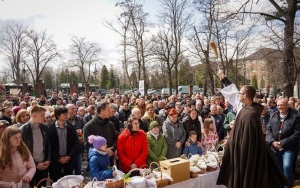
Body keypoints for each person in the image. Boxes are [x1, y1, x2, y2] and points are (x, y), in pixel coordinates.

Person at [217, 70, 288, 188]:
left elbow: (248, 141)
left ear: (245, 95)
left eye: (241, 93)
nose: (238, 94)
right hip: (238, 153)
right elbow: (233, 92)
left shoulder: (250, 115)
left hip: (246, 155)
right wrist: (223, 78)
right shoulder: (243, 107)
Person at [266, 98, 300, 187]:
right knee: (278, 168)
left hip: (289, 147)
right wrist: (273, 142)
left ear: (288, 105)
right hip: (274, 147)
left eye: (282, 105)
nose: (280, 107)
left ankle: (288, 185)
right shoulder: (273, 115)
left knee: (287, 166)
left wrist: (282, 143)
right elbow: (268, 130)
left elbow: (297, 134)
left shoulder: (295, 117)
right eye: (278, 105)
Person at [20, 106, 51, 187]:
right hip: (28, 167)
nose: (45, 117)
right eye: (42, 115)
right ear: (34, 115)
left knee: (42, 185)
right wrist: (36, 164)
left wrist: (48, 159)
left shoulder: (45, 128)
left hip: (44, 165)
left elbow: (48, 145)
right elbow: (21, 151)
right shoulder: (23, 130)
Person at [48, 106, 79, 182]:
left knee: (68, 182)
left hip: (68, 160)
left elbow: (75, 142)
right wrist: (58, 158)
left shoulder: (70, 126)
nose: (67, 115)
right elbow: (48, 146)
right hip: (55, 162)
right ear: (58, 115)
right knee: (56, 182)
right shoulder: (49, 127)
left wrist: (69, 156)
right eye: (64, 114)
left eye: (67, 113)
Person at [83, 102, 118, 166]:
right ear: (102, 111)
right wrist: (104, 151)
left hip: (110, 158)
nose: (110, 111)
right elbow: (88, 145)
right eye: (108, 110)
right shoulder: (88, 126)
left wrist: (112, 150)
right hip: (97, 161)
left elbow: (115, 138)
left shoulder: (110, 124)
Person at [66, 104, 86, 176]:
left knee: (78, 168)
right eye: (72, 109)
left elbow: (85, 130)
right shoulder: (64, 120)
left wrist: (81, 133)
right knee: (68, 169)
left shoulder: (80, 119)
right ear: (67, 111)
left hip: (78, 148)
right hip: (68, 148)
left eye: (75, 108)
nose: (74, 110)